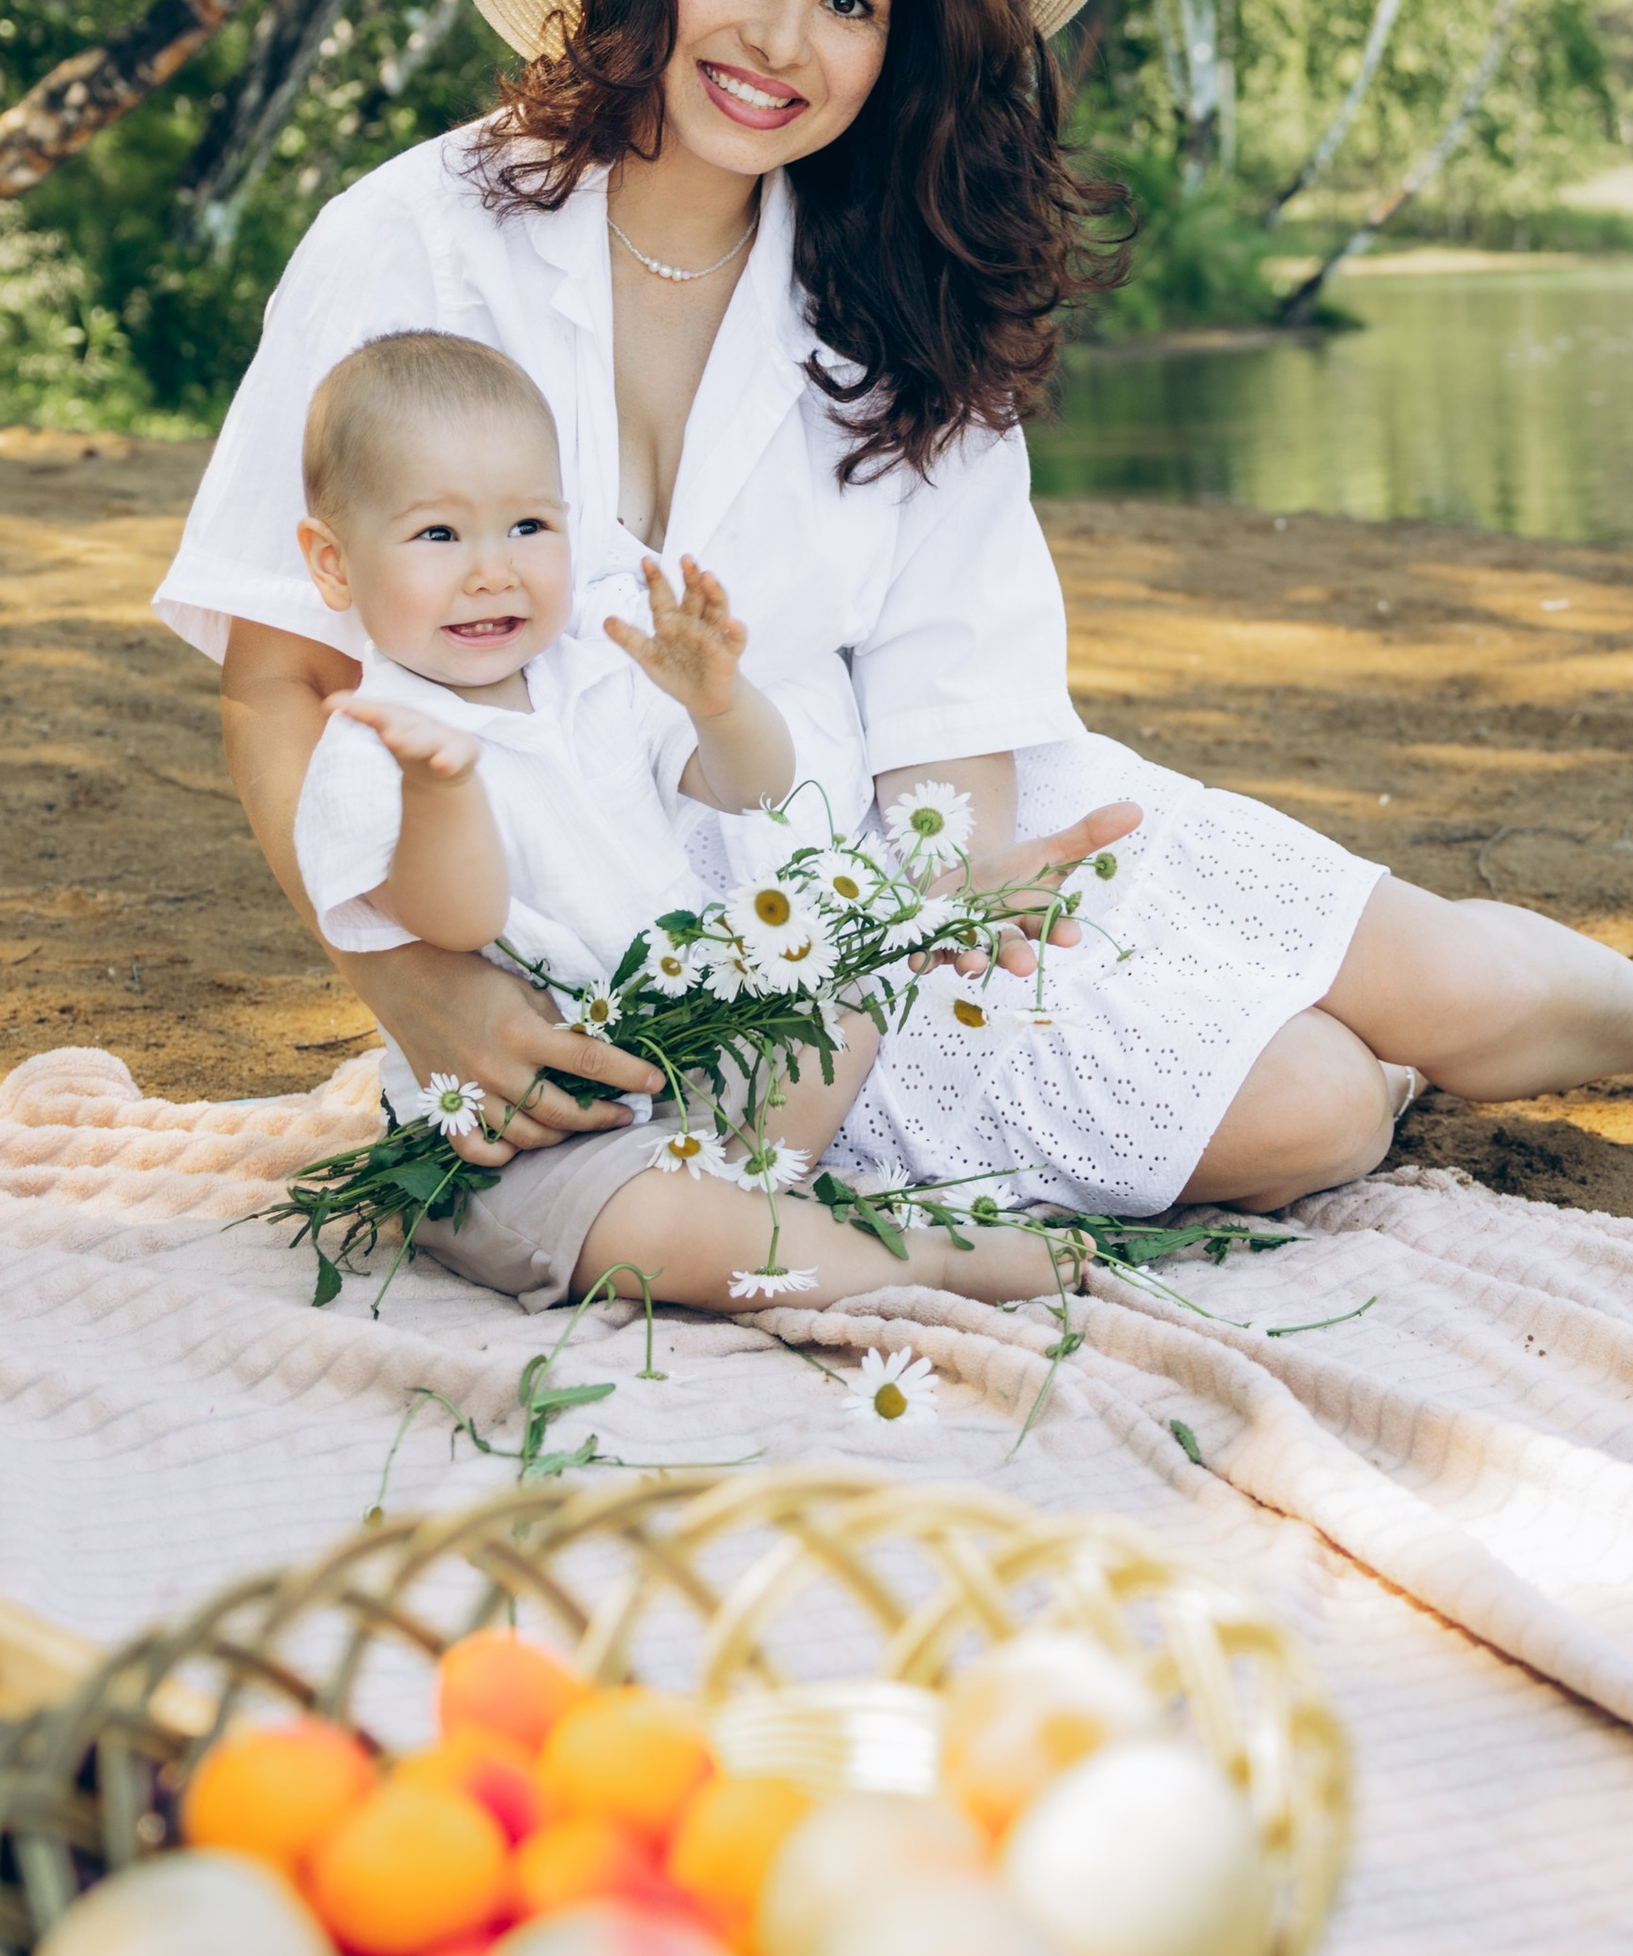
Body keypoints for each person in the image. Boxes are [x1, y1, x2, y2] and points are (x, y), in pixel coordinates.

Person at [159, 0, 1633, 1268]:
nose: (778, 40)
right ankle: (1351, 1080)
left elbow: (952, 719)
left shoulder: (906, 283)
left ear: (903, 44)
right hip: (622, 946)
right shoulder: (412, 240)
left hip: (914, 859)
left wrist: (930, 909)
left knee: (1455, 986)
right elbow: (277, 687)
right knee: (1323, 1105)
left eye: (850, 1)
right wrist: (411, 990)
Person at [285, 322, 1077, 1313]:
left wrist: (717, 702)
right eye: (438, 535)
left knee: (845, 988)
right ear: (333, 564)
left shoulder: (591, 674)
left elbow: (749, 785)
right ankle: (925, 1262)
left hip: (685, 1056)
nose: (492, 570)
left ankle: (754, 1187)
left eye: (529, 527)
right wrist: (443, 791)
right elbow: (458, 921)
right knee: (656, 1233)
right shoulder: (375, 748)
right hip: (526, 1122)